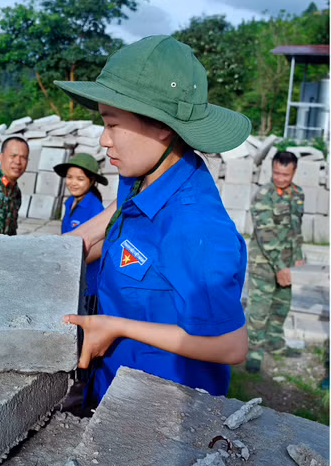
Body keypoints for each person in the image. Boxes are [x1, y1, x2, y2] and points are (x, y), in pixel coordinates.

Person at [56, 34, 251, 404]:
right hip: (111, 386)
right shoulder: (144, 174)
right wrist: (63, 250)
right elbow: (118, 212)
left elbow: (232, 345)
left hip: (163, 413)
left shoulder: (195, 229)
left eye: (112, 124)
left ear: (161, 126)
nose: (103, 139)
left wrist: (117, 326)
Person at [245, 150, 305, 373]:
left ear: (294, 172)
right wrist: (279, 267)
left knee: (281, 307)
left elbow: (296, 227)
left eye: (285, 175)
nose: (280, 178)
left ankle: (275, 345)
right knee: (259, 311)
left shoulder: (298, 194)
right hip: (263, 264)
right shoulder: (263, 196)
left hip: (286, 264)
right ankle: (253, 352)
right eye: (276, 173)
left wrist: (298, 255)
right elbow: (265, 235)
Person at [54, 152, 106, 314]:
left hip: (88, 281)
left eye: (80, 179)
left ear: (92, 181)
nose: (73, 183)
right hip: (70, 271)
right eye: (69, 177)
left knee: (84, 318)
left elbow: (99, 246)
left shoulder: (95, 208)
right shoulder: (69, 202)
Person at [0, 136, 29, 235]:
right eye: (13, 156)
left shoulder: (16, 192)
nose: (18, 162)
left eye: (23, 157)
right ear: (0, 156)